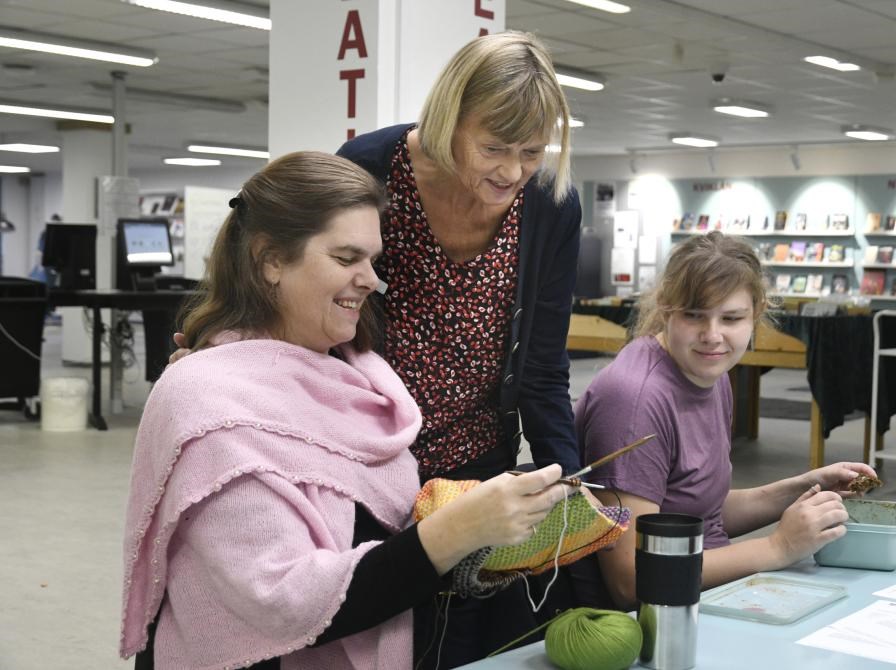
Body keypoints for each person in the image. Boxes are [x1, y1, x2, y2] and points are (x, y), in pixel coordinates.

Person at [170, 31, 585, 666]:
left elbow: (543, 365)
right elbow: (302, 292)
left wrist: (572, 486)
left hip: (474, 463)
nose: (511, 171)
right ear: (449, 118)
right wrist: (223, 358)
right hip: (364, 461)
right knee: (365, 627)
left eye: (531, 152)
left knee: (465, 639)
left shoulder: (549, 206)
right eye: (494, 147)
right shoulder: (371, 165)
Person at [574, 231, 879, 611]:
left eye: (731, 318)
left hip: (707, 594)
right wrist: (778, 546)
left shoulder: (708, 374)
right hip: (658, 617)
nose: (713, 336)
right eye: (694, 315)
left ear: (756, 313)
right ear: (666, 308)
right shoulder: (635, 400)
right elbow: (631, 579)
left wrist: (805, 485)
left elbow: (700, 512)